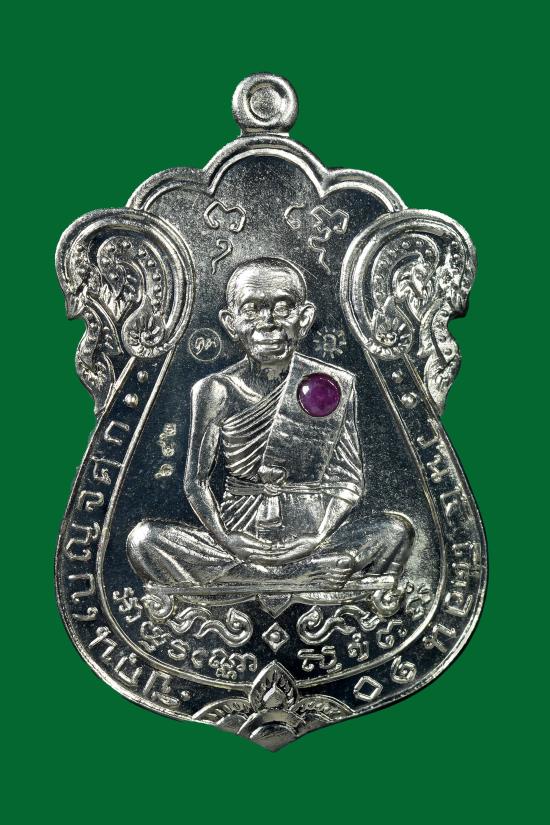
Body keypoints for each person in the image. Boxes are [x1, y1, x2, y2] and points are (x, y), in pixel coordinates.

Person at [127, 258, 413, 590]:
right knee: (145, 541)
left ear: (304, 319)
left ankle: (257, 578)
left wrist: (316, 537)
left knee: (395, 532)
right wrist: (226, 538)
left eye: (283, 308)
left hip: (312, 536)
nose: (269, 323)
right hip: (238, 537)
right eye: (251, 309)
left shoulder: (329, 385)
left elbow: (349, 480)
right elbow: (196, 481)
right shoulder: (216, 389)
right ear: (231, 322)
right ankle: (296, 577)